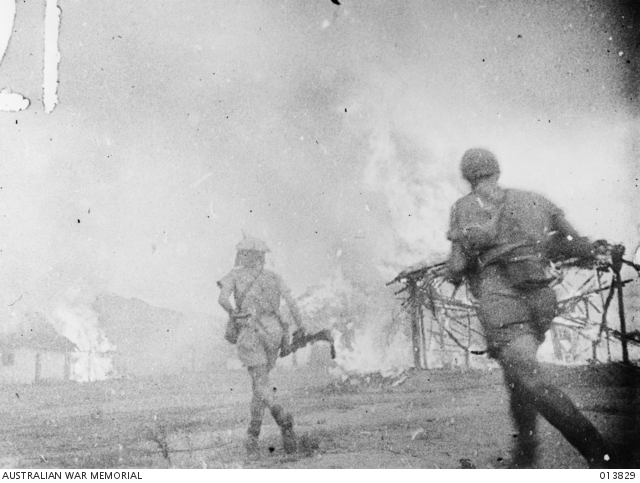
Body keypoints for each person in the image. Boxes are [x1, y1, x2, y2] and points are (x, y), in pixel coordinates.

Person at [445, 148, 613, 469]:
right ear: (496, 170)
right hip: (540, 298)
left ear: (467, 176)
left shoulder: (464, 208)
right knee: (517, 373)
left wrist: (453, 268)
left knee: (527, 376)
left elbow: (457, 264)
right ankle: (525, 457)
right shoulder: (535, 199)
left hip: (501, 301)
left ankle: (604, 458)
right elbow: (573, 244)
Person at [218, 236, 305, 457]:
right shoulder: (274, 277)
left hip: (250, 330)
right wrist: (301, 327)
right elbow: (292, 303)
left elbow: (222, 299)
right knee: (261, 385)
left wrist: (233, 312)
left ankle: (282, 417)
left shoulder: (234, 275)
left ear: (243, 255)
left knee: (260, 384)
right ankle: (252, 435)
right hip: (274, 331)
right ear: (262, 256)